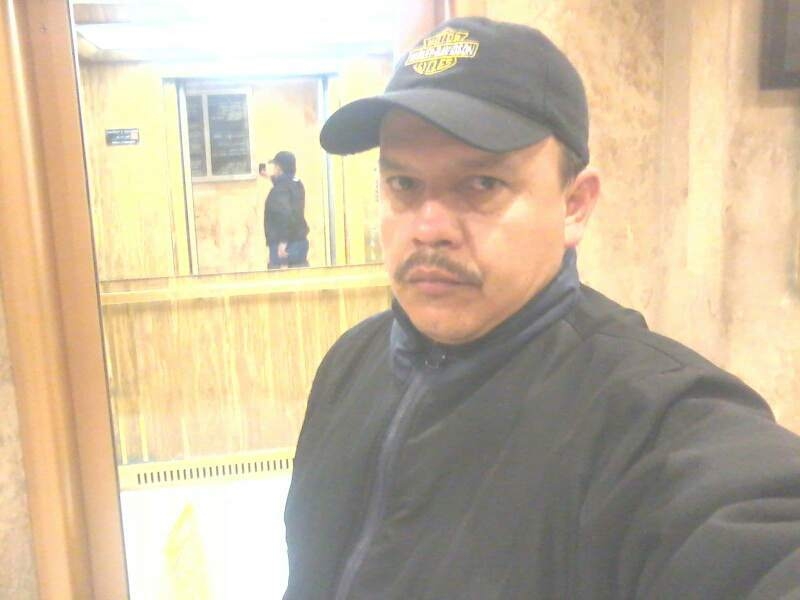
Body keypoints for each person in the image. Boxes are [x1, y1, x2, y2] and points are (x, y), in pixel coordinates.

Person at [284, 17, 800, 599]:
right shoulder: (351, 363)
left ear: (575, 204)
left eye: (482, 184)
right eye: (403, 184)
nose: (428, 227)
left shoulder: (648, 419)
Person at [261, 151, 309, 269]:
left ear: (279, 167)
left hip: (285, 244)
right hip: (299, 241)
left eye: (275, 166)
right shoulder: (297, 184)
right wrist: (271, 178)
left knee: (280, 278)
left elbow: (285, 215)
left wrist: (283, 242)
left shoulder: (280, 190)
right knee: (300, 277)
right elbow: (285, 185)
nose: (273, 169)